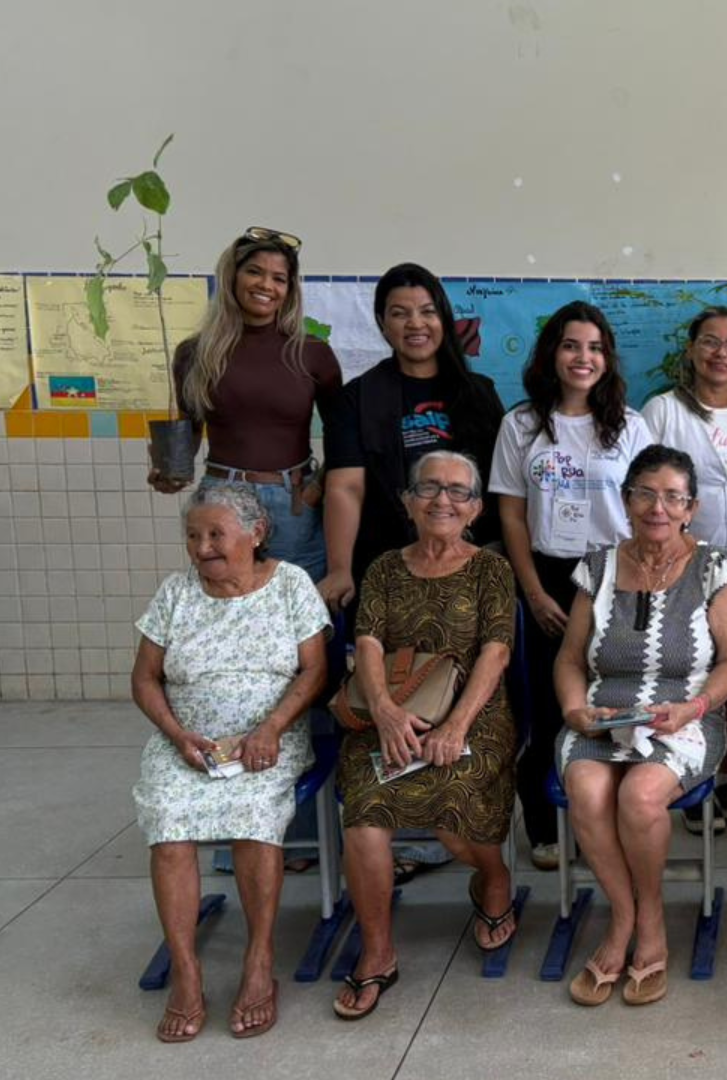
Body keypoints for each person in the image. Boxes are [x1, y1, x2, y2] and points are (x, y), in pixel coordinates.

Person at [130, 483, 330, 1041]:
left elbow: (313, 672)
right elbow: (144, 678)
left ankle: (259, 961)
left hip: (269, 737)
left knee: (252, 820)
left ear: (256, 533)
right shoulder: (176, 593)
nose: (203, 547)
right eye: (194, 536)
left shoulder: (290, 585)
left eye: (217, 534)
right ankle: (187, 974)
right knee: (168, 825)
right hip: (187, 742)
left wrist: (270, 728)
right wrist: (176, 734)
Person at [554, 446, 727, 1007]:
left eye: (672, 497)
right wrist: (574, 710)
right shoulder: (598, 567)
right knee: (588, 790)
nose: (657, 507)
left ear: (691, 508)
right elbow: (569, 659)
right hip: (600, 713)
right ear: (627, 500)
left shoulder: (713, 567)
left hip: (685, 717)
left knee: (640, 796)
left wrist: (695, 707)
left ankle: (653, 921)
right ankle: (622, 919)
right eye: (645, 493)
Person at [332, 451, 519, 1021]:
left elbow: (496, 651)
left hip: (474, 713)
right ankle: (379, 951)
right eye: (430, 488)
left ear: (477, 509)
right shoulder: (385, 568)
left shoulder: (492, 569)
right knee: (364, 813)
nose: (443, 500)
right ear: (407, 502)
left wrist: (457, 724)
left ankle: (493, 878)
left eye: (459, 491)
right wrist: (386, 712)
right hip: (396, 712)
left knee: (452, 798)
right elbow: (366, 643)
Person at [489, 301, 651, 870]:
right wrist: (532, 592)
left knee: (613, 698)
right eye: (570, 346)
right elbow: (510, 515)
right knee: (547, 705)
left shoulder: (631, 425)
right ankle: (543, 824)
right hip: (548, 575)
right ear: (551, 354)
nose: (583, 358)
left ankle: (605, 818)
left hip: (615, 574)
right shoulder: (521, 424)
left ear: (606, 358)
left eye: (594, 348)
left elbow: (646, 511)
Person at [150, 227, 343, 578]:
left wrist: (314, 490)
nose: (266, 285)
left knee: (297, 613)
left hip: (294, 501)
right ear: (232, 277)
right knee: (224, 607)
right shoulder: (195, 354)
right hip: (220, 497)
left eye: (279, 278)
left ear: (289, 290)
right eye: (254, 272)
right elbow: (191, 429)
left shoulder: (312, 353)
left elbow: (345, 434)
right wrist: (169, 470)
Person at [320, 263, 507, 612]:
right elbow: (345, 488)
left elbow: (502, 485)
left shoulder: (479, 393)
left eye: (427, 312)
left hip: (472, 561)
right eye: (399, 313)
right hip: (388, 565)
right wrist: (340, 569)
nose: (416, 324)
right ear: (382, 323)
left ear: (443, 319)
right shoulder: (356, 399)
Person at [643, 307, 727, 832]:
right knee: (688, 670)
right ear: (691, 350)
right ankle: (689, 778)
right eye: (711, 342)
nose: (722, 353)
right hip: (682, 566)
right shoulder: (663, 410)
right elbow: (645, 490)